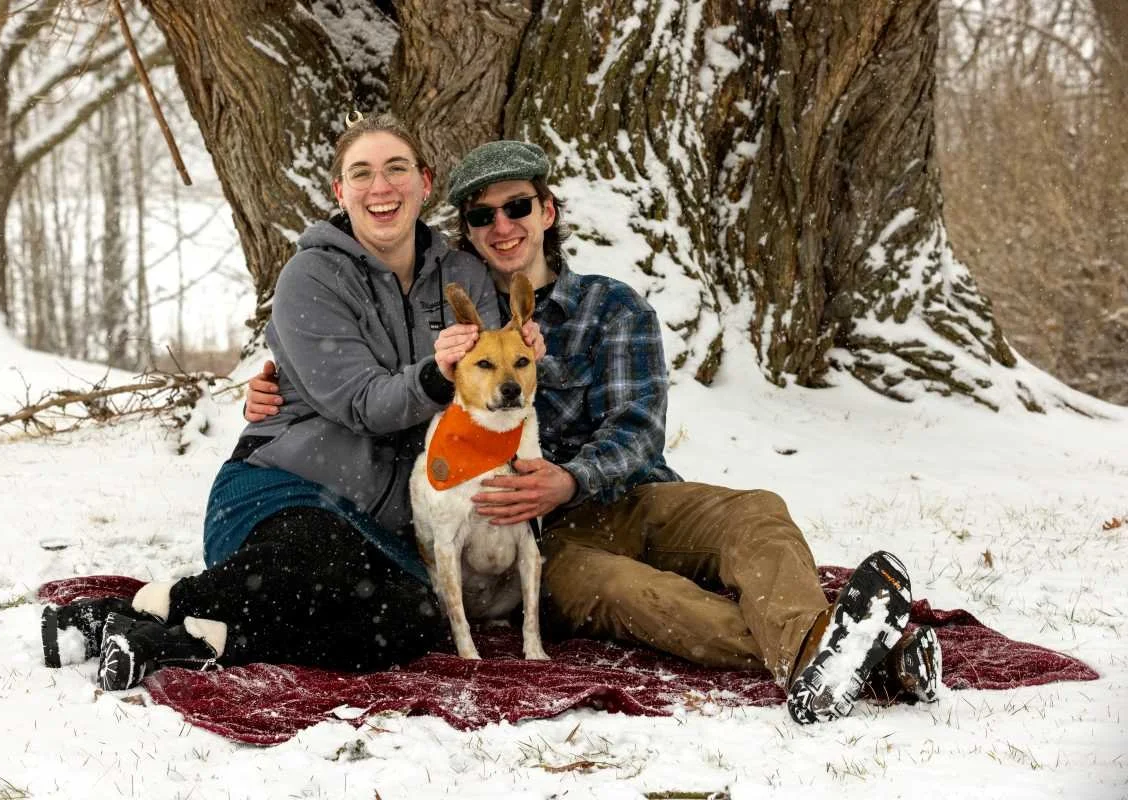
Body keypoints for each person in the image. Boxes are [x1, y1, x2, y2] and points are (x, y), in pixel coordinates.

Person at [246, 140, 942, 725]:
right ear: (469, 233)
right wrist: (277, 387)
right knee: (634, 593)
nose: (503, 226)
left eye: (518, 206)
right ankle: (851, 658)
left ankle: (824, 650)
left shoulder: (612, 307)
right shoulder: (456, 326)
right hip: (548, 538)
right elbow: (373, 378)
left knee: (757, 511)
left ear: (547, 212)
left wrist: (571, 478)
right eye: (483, 216)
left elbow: (639, 428)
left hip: (635, 496)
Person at [39, 115, 543, 691]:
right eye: (362, 173)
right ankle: (125, 612)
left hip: (382, 522)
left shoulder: (463, 278)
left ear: (425, 182)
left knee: (411, 620)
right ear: (340, 191)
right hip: (286, 484)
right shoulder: (311, 276)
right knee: (316, 563)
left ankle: (195, 642)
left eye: (397, 168)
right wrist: (437, 375)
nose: (381, 187)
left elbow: (487, 392)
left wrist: (519, 356)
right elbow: (359, 402)